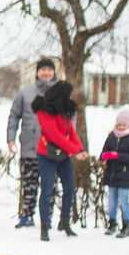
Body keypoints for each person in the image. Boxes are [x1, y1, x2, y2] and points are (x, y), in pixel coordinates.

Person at [31, 81, 89, 241]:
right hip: (47, 155)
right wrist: (75, 150)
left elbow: (71, 133)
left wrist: (81, 149)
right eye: (68, 94)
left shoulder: (64, 110)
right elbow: (55, 136)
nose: (70, 97)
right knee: (47, 190)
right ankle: (44, 227)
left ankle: (65, 222)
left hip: (63, 155)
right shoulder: (44, 111)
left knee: (70, 188)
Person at [6, 58, 57, 227]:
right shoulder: (25, 92)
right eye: (43, 70)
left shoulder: (60, 93)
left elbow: (69, 119)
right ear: (37, 72)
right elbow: (14, 115)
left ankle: (47, 218)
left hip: (51, 149)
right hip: (30, 147)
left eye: (50, 70)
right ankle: (26, 216)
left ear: (54, 72)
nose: (46, 73)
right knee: (29, 184)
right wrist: (11, 137)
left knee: (49, 186)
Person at [101, 106, 129, 238]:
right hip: (112, 174)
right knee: (112, 201)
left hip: (125, 175)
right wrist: (105, 156)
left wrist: (117, 156)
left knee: (124, 200)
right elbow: (103, 152)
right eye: (119, 124)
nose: (122, 127)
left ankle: (127, 225)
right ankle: (112, 224)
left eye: (124, 125)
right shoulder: (111, 136)